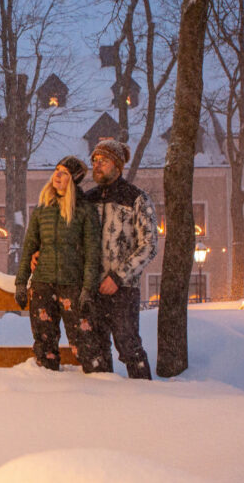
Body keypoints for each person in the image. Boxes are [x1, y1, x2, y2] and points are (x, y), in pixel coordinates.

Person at [14, 156, 101, 372]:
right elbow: (29, 246)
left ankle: (100, 387)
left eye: (64, 173)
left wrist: (88, 288)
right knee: (44, 344)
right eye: (56, 170)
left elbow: (92, 252)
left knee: (84, 343)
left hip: (72, 284)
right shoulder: (42, 209)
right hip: (43, 283)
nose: (57, 176)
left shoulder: (84, 210)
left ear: (73, 180)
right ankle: (48, 389)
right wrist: (21, 282)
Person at [84, 139, 157, 379]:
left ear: (117, 165)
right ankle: (102, 405)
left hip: (123, 289)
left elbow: (149, 245)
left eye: (102, 161)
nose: (96, 165)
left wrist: (117, 277)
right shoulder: (88, 200)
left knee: (128, 347)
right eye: (94, 161)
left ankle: (145, 398)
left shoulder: (136, 198)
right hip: (91, 287)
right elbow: (70, 238)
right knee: (95, 351)